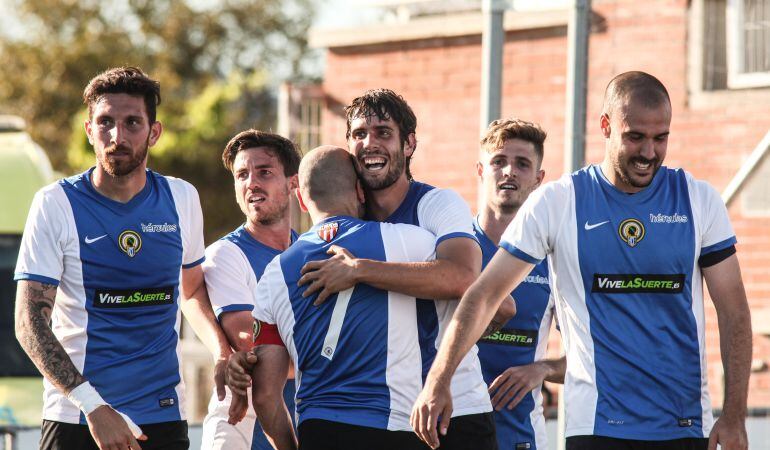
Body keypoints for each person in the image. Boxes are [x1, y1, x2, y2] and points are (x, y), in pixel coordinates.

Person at [411, 71, 752, 450]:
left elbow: (734, 311)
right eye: (635, 137)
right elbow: (485, 294)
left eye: (661, 138)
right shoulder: (558, 202)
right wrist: (437, 382)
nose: (649, 153)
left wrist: (735, 414)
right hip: (596, 425)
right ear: (606, 126)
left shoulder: (699, 200)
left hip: (684, 425)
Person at [14, 66, 231, 450]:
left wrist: (221, 350)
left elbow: (192, 290)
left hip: (162, 413)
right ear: (89, 131)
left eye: (132, 122)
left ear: (154, 132)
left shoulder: (182, 199)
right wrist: (94, 406)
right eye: (105, 122)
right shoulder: (55, 204)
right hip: (77, 416)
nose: (117, 136)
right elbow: (29, 323)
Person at [296, 89, 515, 449]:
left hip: (456, 406)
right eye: (359, 134)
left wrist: (361, 270)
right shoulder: (347, 224)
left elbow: (463, 276)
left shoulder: (436, 204)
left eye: (383, 132)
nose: (370, 143)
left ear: (409, 144)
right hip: (388, 416)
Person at [232, 145, 439, 449]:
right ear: (360, 190)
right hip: (393, 428)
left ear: (301, 200)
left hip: (318, 429)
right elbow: (465, 282)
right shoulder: (407, 240)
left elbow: (264, 396)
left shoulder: (276, 272)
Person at [200, 130, 301, 450]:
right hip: (244, 429)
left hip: (304, 422)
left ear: (293, 183)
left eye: (265, 172)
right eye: (242, 175)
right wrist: (338, 356)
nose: (251, 183)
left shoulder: (311, 251)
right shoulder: (225, 255)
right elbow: (253, 347)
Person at [474, 118, 566, 450]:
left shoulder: (553, 260)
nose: (509, 171)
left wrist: (541, 370)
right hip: (448, 429)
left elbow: (592, 354)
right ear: (481, 171)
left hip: (520, 436)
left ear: (539, 179)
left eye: (522, 164)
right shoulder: (453, 248)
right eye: (499, 161)